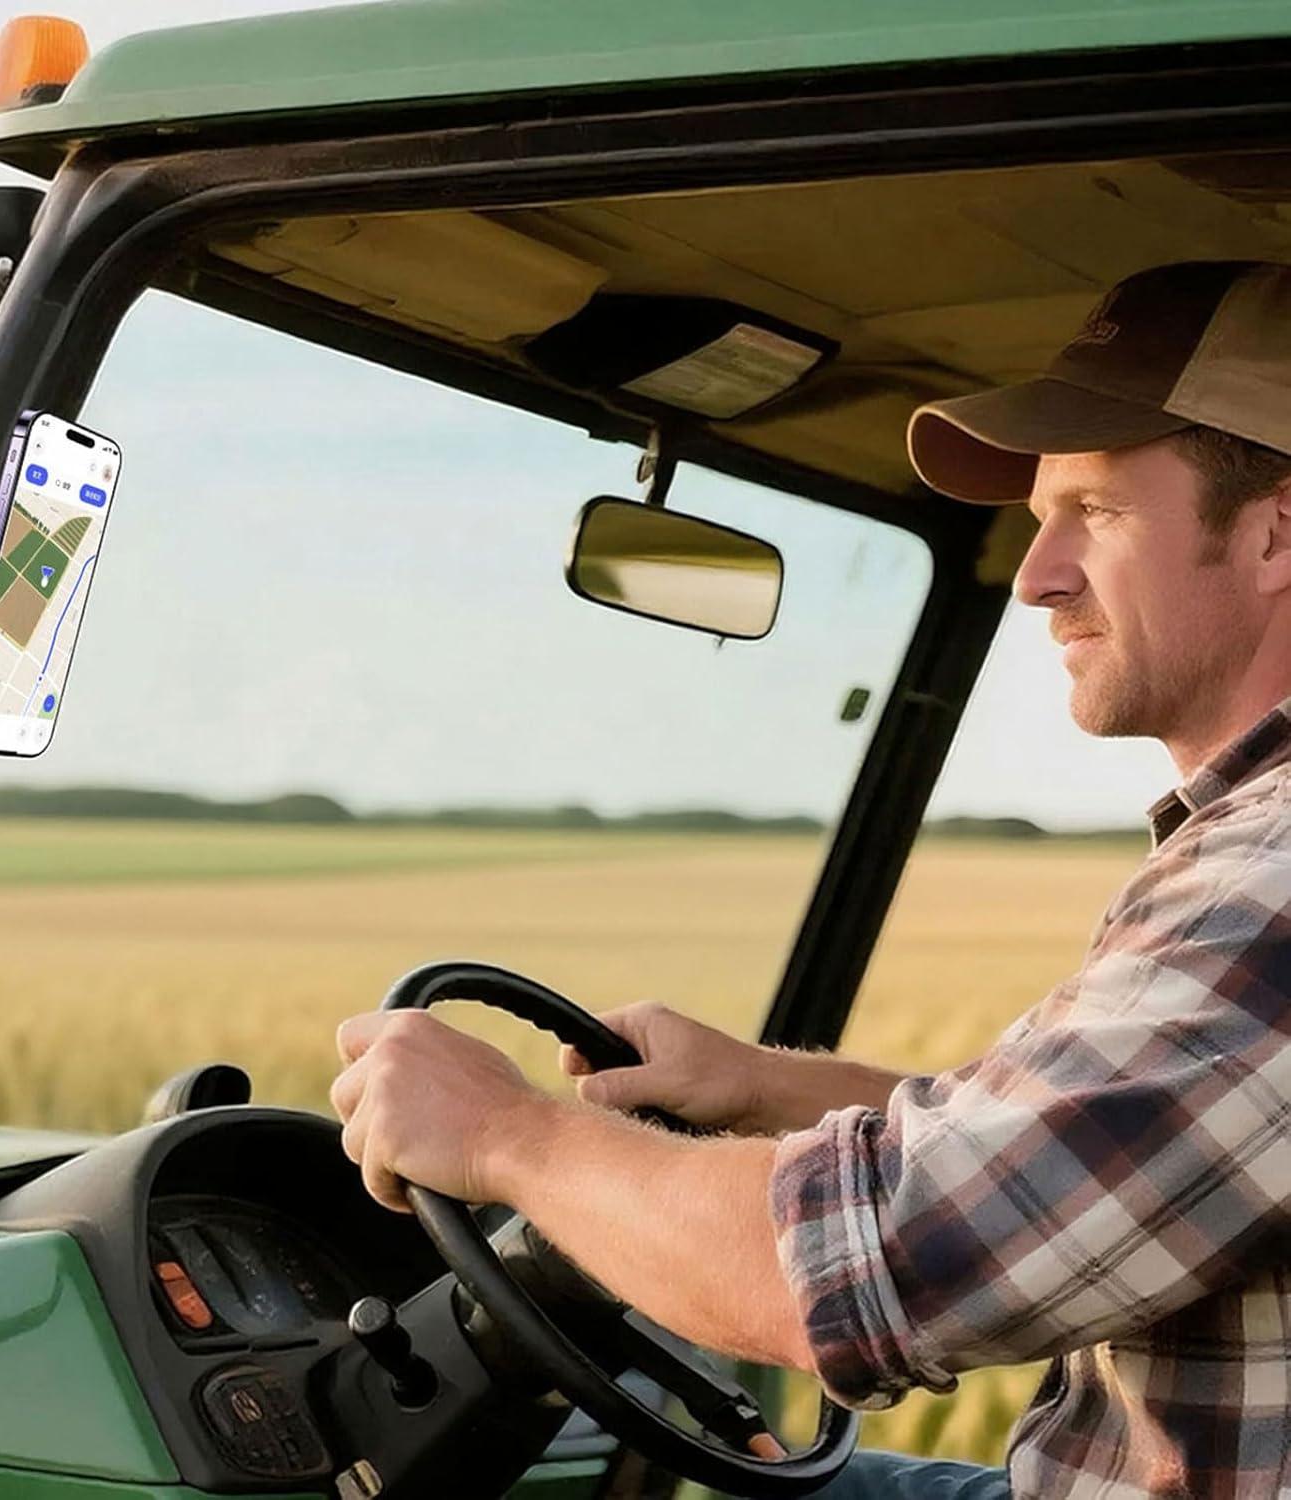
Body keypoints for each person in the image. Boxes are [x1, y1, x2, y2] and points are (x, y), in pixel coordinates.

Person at [330, 260, 1291, 1498]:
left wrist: (507, 1135)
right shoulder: (1240, 848)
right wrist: (765, 1088)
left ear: (1276, 532)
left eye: (1096, 513)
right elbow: (1090, 1147)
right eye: (1041, 518)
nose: (1036, 576)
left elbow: (873, 1272)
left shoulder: (1269, 876)